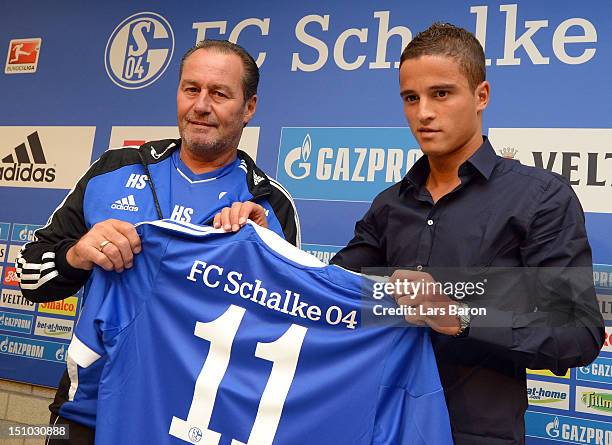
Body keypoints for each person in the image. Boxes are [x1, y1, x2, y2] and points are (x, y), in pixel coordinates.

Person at [218, 23, 604, 444]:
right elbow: (324, 291)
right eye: (410, 98)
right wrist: (266, 241)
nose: (423, 113)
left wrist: (460, 316)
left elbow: (578, 334)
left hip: (471, 435)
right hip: (374, 424)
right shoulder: (390, 204)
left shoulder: (539, 198)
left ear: (481, 96)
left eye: (441, 93)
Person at [16, 39, 300, 444]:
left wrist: (264, 255)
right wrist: (78, 254)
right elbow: (29, 277)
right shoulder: (112, 171)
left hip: (192, 425)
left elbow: (286, 329)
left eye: (219, 93)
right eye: (191, 89)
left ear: (249, 108)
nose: (201, 105)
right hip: (86, 415)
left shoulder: (269, 206)